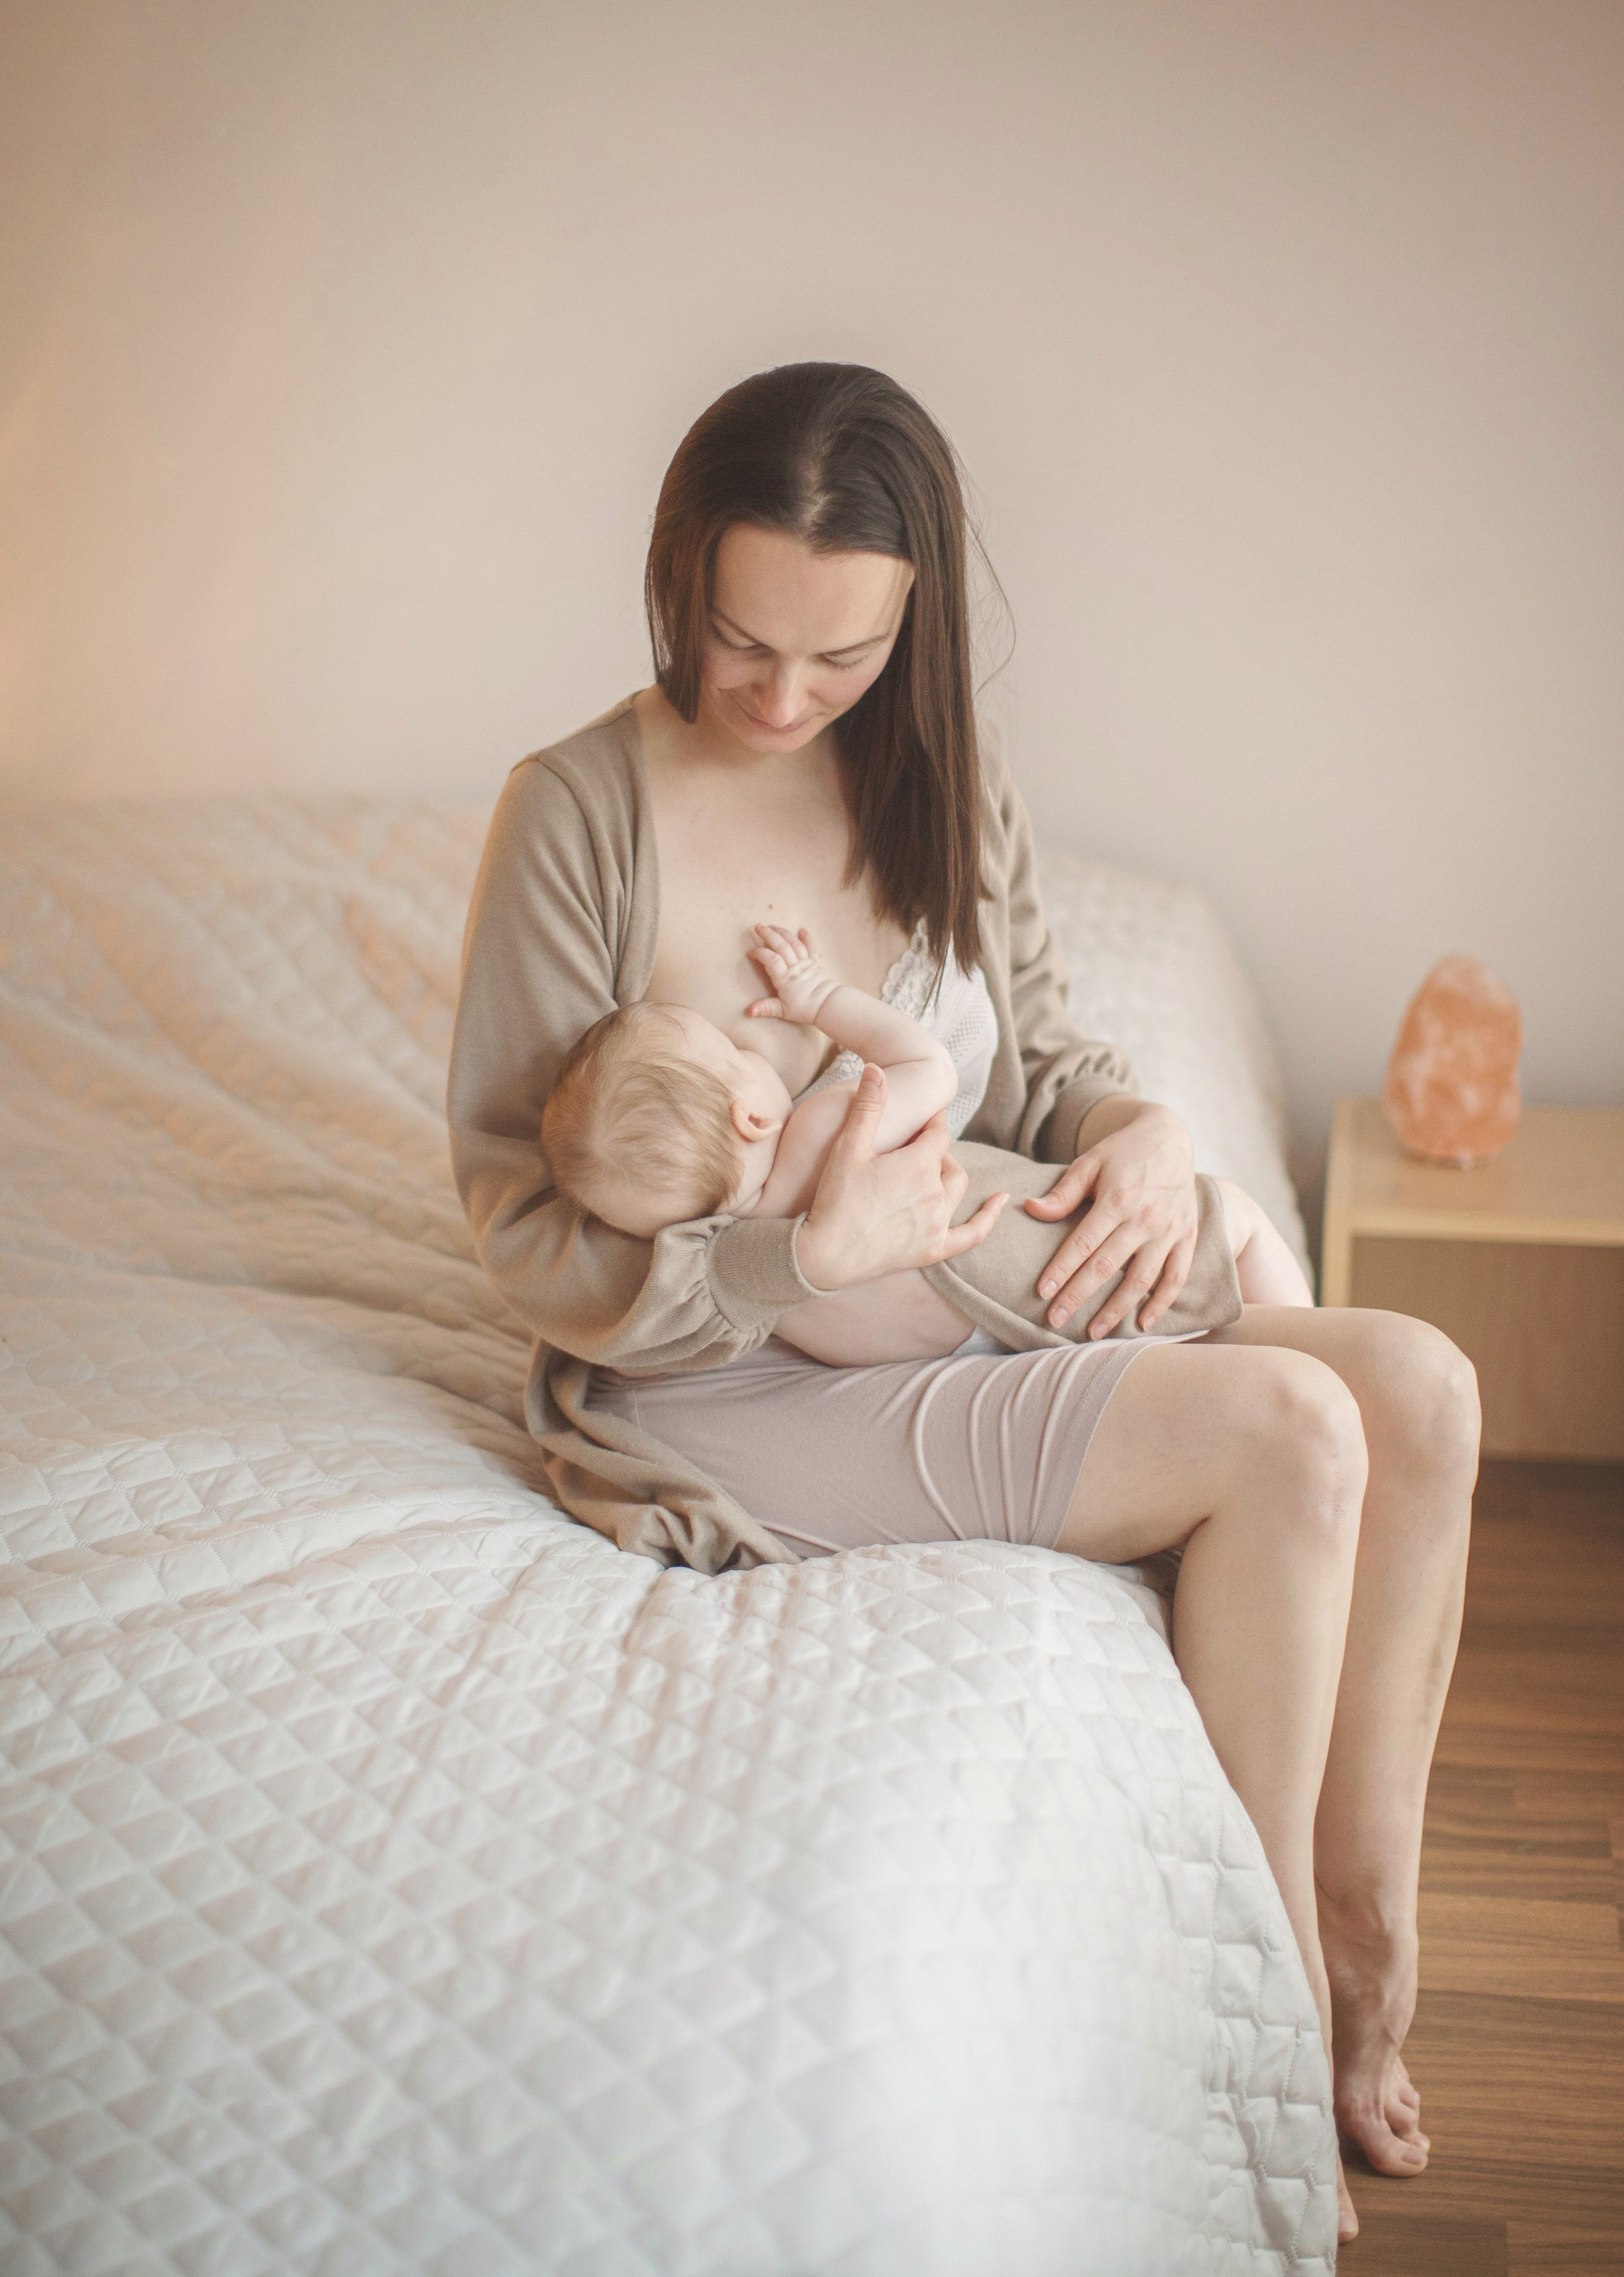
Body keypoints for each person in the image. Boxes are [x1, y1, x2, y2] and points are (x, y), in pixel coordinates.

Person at [447, 361, 1480, 2243]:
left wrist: (1144, 1126)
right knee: (1286, 1425)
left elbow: (1026, 1060)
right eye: (738, 639)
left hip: (930, 1271)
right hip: (721, 1369)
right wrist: (790, 1257)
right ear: (679, 575)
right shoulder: (578, 812)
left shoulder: (935, 788)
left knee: (1417, 1382)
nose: (775, 698)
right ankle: (1253, 2012)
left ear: (908, 628)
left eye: (833, 661)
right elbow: (525, 1217)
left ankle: (1364, 1927)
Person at [537, 919, 1312, 1362]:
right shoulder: (822, 1130)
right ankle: (1319, 1347)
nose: (755, 1054)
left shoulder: (738, 1261)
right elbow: (930, 1066)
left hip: (979, 1345)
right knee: (1233, 1221)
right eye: (737, 1053)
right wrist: (821, 1000)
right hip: (1020, 1260)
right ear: (753, 1119)